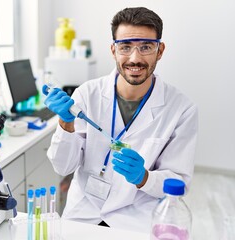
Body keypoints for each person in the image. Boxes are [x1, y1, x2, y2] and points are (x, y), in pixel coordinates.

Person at [43, 7, 198, 232]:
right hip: (83, 212)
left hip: (135, 217)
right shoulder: (87, 94)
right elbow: (62, 165)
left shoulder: (181, 110)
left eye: (145, 47)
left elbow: (179, 183)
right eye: (125, 47)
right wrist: (65, 123)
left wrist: (144, 178)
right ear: (113, 50)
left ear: (160, 50)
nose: (135, 59)